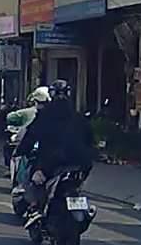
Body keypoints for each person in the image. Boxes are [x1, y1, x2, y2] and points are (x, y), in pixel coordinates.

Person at [15, 79, 96, 226]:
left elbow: (31, 135)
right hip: (81, 164)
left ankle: (36, 208)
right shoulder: (78, 116)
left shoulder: (46, 115)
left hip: (52, 162)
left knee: (35, 178)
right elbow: (90, 140)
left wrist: (21, 150)